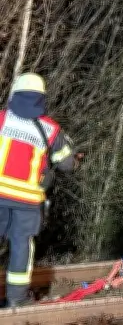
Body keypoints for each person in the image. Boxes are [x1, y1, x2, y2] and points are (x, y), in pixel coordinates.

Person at [0, 73, 78, 307]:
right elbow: (67, 164)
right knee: (21, 246)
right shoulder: (49, 129)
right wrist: (74, 156)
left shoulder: (2, 119)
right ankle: (17, 300)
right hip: (28, 201)